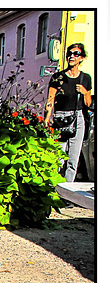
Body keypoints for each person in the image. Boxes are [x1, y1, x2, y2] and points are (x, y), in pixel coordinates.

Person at [44, 43, 92, 182]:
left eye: (76, 54)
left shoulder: (86, 78)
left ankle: (67, 192)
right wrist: (47, 118)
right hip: (60, 118)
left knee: (73, 159)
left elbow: (88, 104)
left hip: (78, 118)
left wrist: (84, 92)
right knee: (58, 158)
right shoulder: (57, 78)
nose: (72, 56)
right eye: (69, 53)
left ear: (81, 58)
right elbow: (50, 99)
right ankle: (54, 187)